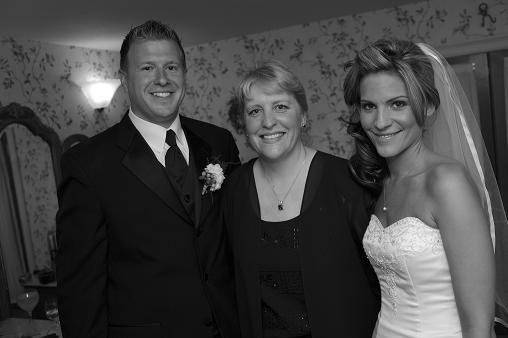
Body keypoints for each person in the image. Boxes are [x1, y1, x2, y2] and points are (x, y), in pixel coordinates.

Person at [56, 20, 240, 338]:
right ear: (125, 80)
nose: (162, 79)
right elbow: (80, 293)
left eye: (171, 66)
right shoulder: (87, 164)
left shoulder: (218, 141)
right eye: (147, 68)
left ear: (184, 73)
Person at [344, 39, 508, 337]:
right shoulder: (379, 182)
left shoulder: (447, 182)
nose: (380, 122)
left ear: (429, 106)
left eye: (398, 104)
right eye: (369, 106)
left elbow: (479, 325)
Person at [223, 59, 380, 338]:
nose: (268, 121)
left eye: (281, 107)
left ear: (303, 116)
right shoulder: (231, 189)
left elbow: (383, 280)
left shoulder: (348, 181)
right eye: (255, 111)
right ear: (243, 124)